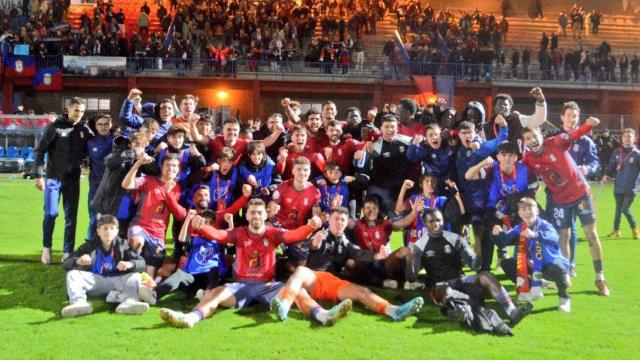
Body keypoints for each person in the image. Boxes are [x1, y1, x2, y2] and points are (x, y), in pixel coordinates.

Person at [159, 200, 346, 328]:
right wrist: (202, 226)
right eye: (252, 212)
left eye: (259, 212)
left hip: (267, 286)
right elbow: (220, 235)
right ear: (247, 216)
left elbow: (293, 236)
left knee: (298, 291)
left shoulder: (273, 233)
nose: (256, 215)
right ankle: (190, 318)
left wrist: (309, 227)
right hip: (242, 285)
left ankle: (323, 315)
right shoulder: (239, 233)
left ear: (265, 215)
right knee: (216, 293)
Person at [269, 207, 424, 322]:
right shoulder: (320, 235)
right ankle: (284, 306)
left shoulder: (346, 244)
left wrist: (380, 255)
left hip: (332, 283)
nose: (339, 222)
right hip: (312, 278)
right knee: (301, 272)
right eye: (336, 219)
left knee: (362, 291)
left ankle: (394, 311)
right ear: (329, 220)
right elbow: (309, 246)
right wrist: (313, 244)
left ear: (346, 223)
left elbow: (361, 254)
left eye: (343, 220)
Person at [522, 117, 610, 296]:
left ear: (541, 134)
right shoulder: (529, 159)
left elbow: (574, 134)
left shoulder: (556, 141)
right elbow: (521, 171)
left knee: (591, 234)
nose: (533, 140)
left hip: (580, 194)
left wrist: (588, 125)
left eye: (534, 135)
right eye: (528, 138)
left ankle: (600, 278)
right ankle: (565, 273)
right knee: (563, 236)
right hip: (560, 200)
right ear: (525, 142)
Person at [418, 208, 531, 329]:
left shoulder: (455, 239)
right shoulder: (419, 245)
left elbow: (475, 265)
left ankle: (512, 311)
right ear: (425, 224)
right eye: (431, 221)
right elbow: (411, 274)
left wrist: (478, 250)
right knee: (443, 289)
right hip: (439, 286)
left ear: (443, 221)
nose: (436, 223)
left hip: (459, 281)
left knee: (486, 276)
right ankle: (463, 310)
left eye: (438, 220)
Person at [35, 98, 93, 265]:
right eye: (76, 111)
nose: (79, 114)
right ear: (68, 109)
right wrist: (39, 175)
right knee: (51, 213)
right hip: (53, 178)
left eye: (82, 112)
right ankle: (47, 247)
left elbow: (98, 142)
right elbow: (40, 151)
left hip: (73, 180)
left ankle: (67, 251)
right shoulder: (54, 127)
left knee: (71, 218)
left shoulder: (83, 130)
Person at [492, 198, 571, 311]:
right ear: (520, 214)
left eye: (530, 208)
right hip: (532, 265)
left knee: (558, 267)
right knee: (506, 263)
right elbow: (504, 240)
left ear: (537, 211)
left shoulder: (545, 225)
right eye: (523, 209)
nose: (527, 212)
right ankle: (529, 289)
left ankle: (564, 298)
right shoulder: (519, 227)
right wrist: (496, 234)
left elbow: (554, 237)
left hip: (549, 265)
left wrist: (535, 234)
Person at [61, 215, 149, 317]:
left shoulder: (123, 245)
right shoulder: (89, 246)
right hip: (95, 282)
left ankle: (129, 302)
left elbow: (142, 263)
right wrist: (78, 261)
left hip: (117, 282)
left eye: (112, 228)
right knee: (73, 274)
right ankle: (78, 302)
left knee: (135, 276)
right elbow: (66, 263)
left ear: (117, 231)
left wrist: (130, 264)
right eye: (105, 228)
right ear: (98, 231)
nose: (108, 231)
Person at [122, 153, 186, 277]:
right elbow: (126, 185)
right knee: (136, 241)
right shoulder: (148, 180)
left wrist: (168, 194)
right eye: (167, 165)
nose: (171, 168)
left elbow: (178, 215)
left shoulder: (177, 189)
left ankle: (144, 283)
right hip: (140, 225)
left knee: (150, 275)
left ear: (178, 170)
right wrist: (138, 163)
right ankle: (127, 277)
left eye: (174, 166)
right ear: (161, 167)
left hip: (158, 234)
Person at [483, 88, 547, 155]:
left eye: (505, 104)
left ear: (510, 107)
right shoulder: (487, 126)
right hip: (496, 163)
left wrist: (540, 100)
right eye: (499, 104)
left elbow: (539, 119)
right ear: (494, 107)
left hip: (517, 163)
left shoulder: (519, 119)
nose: (502, 106)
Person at [602, 128, 640, 239]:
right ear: (621, 138)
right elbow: (611, 166)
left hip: (631, 187)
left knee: (625, 209)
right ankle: (616, 230)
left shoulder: (637, 154)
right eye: (624, 136)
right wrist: (607, 175)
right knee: (618, 209)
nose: (627, 138)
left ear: (634, 139)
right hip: (618, 186)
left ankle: (635, 229)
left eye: (629, 136)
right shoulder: (617, 152)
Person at [85, 114, 114, 241]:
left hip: (113, 189)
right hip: (95, 188)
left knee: (113, 221)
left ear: (111, 125)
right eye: (100, 124)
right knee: (93, 220)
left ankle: (112, 251)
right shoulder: (90, 142)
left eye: (106, 124)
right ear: (96, 126)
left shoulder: (118, 141)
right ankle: (89, 249)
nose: (103, 127)